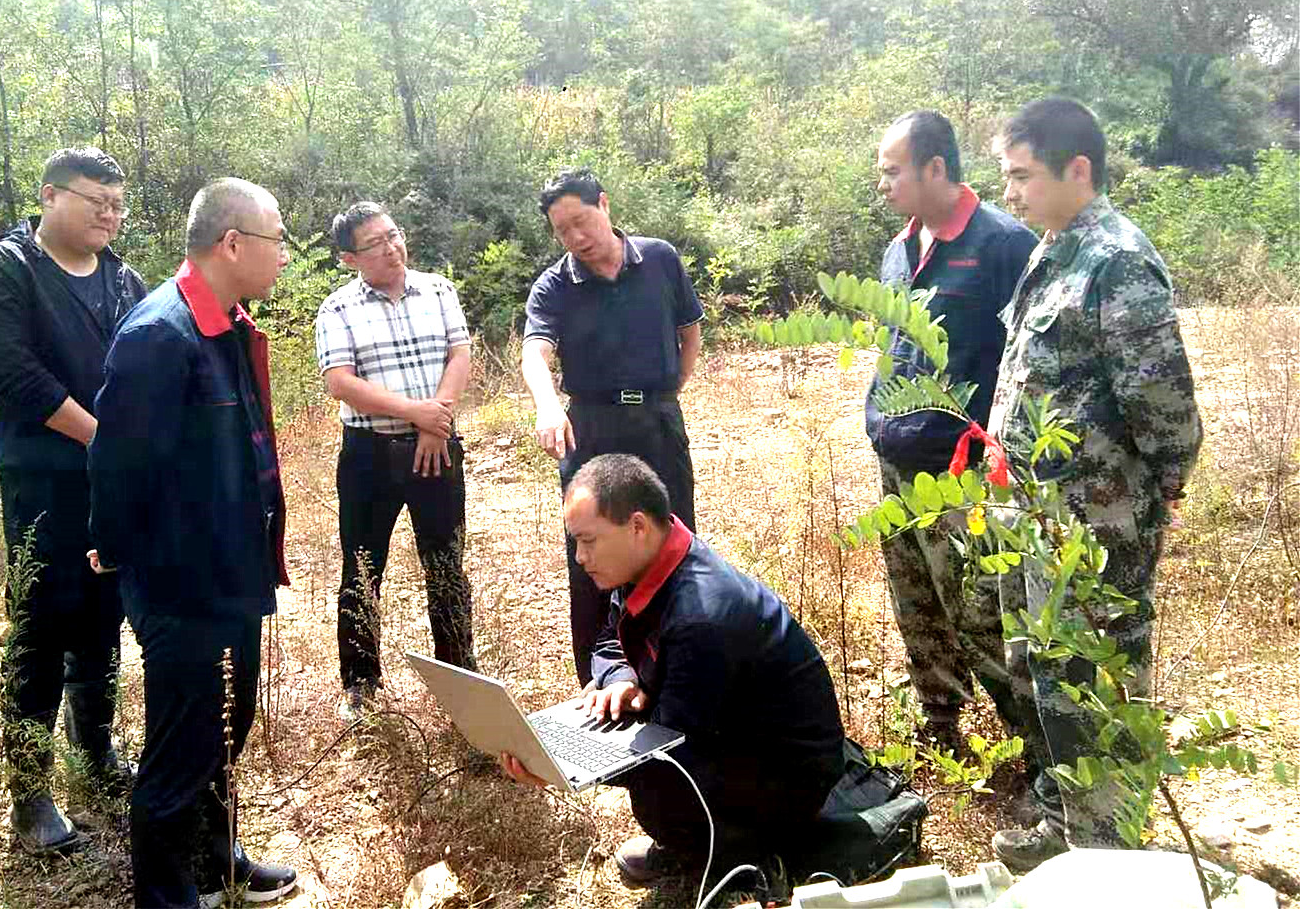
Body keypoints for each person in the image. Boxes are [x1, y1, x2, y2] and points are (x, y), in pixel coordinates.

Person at [987, 97, 1203, 870]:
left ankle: (1110, 855)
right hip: (1033, 513)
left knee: (1091, 679)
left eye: (1022, 175)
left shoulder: (1117, 261)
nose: (1009, 192)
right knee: (1045, 671)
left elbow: (1162, 402)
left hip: (1094, 522)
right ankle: (1065, 820)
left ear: (1076, 169)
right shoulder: (1054, 249)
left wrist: (1157, 490)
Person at [89, 178, 298, 908]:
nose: (284, 255)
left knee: (226, 724)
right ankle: (166, 896)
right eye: (277, 239)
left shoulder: (226, 321)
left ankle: (215, 861)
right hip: (184, 579)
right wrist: (124, 557)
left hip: (232, 567)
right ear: (232, 244)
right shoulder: (160, 333)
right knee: (182, 746)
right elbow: (118, 463)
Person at [500, 454, 845, 888]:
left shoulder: (703, 614)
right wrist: (621, 678)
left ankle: (743, 857)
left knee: (660, 794)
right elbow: (609, 639)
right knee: (650, 771)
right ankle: (709, 841)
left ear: (637, 526)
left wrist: (558, 763)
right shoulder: (649, 562)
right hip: (732, 732)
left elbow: (669, 757)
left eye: (588, 541)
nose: (580, 557)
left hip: (788, 776)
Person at [0, 147, 147, 854]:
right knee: (39, 624)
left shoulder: (123, 280)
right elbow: (17, 376)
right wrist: (103, 438)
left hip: (111, 481)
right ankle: (30, 795)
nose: (109, 214)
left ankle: (95, 752)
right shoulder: (4, 272)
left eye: (117, 204)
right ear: (49, 196)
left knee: (103, 611)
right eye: (96, 200)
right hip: (42, 478)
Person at [867, 111, 1038, 751]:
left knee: (979, 608)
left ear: (935, 167)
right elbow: (894, 346)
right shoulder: (898, 249)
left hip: (964, 470)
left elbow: (1028, 361)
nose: (883, 184)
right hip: (898, 458)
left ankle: (1037, 750)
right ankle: (940, 725)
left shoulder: (1003, 245)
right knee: (916, 600)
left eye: (893, 171)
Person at [521, 168, 704, 687]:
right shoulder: (555, 285)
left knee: (672, 542)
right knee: (592, 555)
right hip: (592, 428)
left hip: (657, 421)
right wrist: (548, 405)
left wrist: (669, 389)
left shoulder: (660, 258)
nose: (576, 237)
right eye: (562, 230)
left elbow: (689, 330)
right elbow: (535, 352)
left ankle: (673, 673)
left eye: (581, 221)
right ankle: (597, 685)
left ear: (604, 204)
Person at [315, 202, 476, 714]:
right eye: (375, 243)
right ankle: (360, 683)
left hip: (438, 447)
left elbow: (460, 353)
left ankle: (460, 675)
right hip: (370, 455)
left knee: (446, 561)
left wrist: (436, 421)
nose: (391, 248)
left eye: (394, 235)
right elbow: (340, 382)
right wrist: (416, 414)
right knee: (363, 567)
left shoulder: (438, 290)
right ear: (349, 258)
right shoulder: (337, 309)